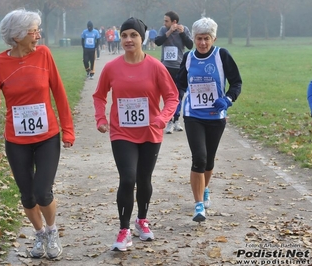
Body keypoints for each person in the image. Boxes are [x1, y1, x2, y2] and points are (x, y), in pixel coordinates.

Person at [0, 9, 75, 259]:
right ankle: (40, 234)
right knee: (27, 195)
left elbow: (59, 92)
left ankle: (52, 230)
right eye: (34, 31)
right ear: (17, 35)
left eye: (37, 30)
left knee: (43, 191)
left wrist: (68, 130)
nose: (38, 36)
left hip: (47, 137)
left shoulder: (44, 55)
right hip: (16, 141)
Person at [93, 17, 179, 252]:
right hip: (121, 132)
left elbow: (172, 96)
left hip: (151, 132)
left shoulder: (155, 67)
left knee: (144, 179)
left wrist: (162, 119)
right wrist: (101, 119)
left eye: (133, 35)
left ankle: (142, 220)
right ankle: (123, 230)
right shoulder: (112, 67)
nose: (128, 40)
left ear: (142, 38)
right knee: (128, 178)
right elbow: (99, 96)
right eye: (124, 35)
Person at [175, 17, 242, 222]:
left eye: (206, 38)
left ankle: (204, 189)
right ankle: (198, 205)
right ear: (193, 38)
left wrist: (228, 99)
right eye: (198, 39)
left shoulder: (221, 55)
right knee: (199, 158)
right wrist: (175, 99)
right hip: (193, 115)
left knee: (209, 161)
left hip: (215, 116)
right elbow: (180, 83)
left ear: (214, 38)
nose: (202, 43)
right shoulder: (188, 58)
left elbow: (236, 83)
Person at [155, 11, 193, 134]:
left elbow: (190, 45)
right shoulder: (163, 29)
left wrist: (182, 33)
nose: (164, 22)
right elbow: (158, 41)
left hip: (180, 67)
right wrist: (169, 31)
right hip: (166, 67)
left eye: (166, 21)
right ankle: (169, 121)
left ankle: (176, 120)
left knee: (179, 95)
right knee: (168, 95)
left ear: (174, 22)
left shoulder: (184, 29)